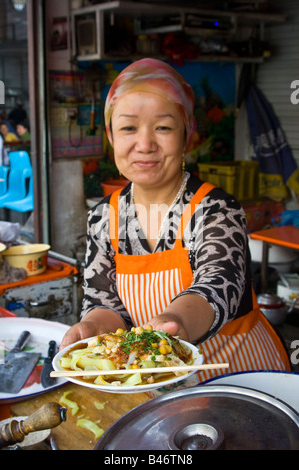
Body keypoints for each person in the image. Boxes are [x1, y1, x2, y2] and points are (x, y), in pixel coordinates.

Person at [60, 58, 290, 382]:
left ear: (188, 133)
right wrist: (93, 327)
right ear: (111, 135)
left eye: (163, 127)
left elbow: (217, 286)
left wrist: (173, 322)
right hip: (159, 384)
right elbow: (105, 302)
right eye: (128, 127)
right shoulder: (103, 217)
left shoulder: (217, 210)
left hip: (240, 376)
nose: (145, 145)